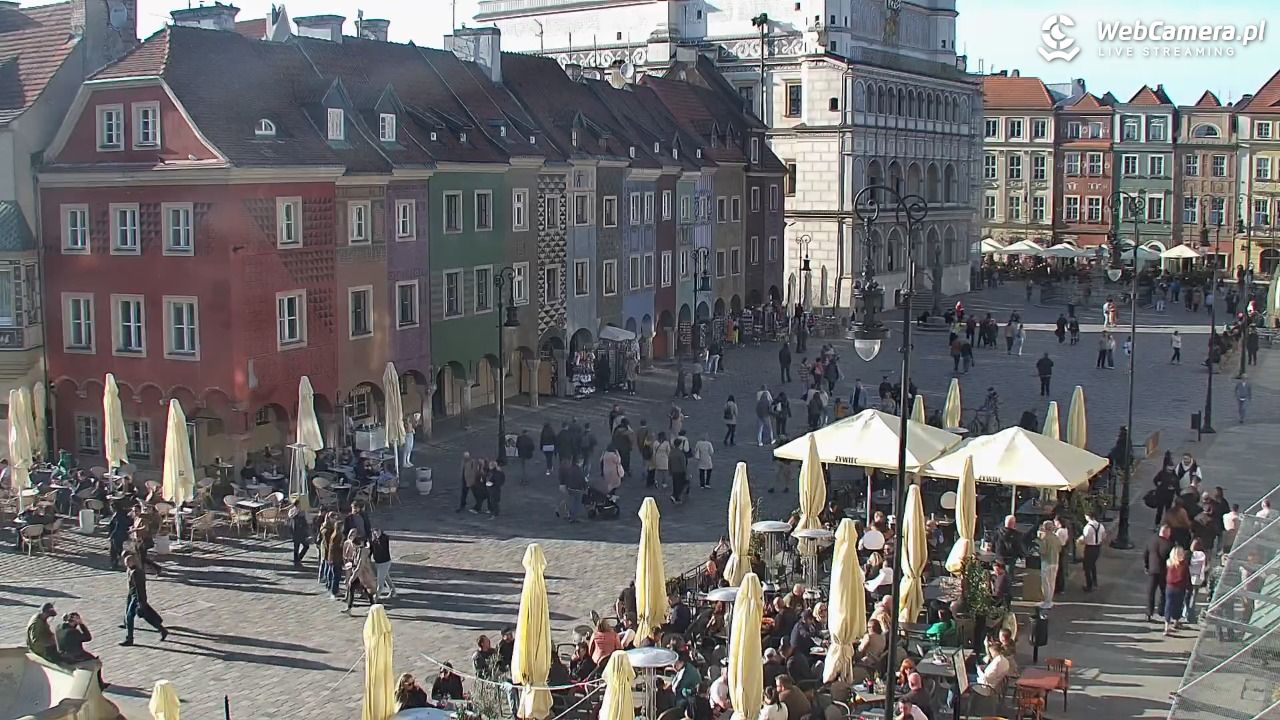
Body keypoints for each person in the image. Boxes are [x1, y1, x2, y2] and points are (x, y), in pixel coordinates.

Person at [121, 554, 167, 646]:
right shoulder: (130, 570)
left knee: (131, 616)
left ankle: (129, 638)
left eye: (127, 562)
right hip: (132, 595)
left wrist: (141, 601)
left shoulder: (136, 573)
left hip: (136, 597)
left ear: (132, 562)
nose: (125, 563)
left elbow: (140, 588)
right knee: (145, 615)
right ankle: (162, 629)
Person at [1144, 525, 1175, 623]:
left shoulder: (1151, 540)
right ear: (1166, 532)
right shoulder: (1169, 544)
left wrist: (1146, 566)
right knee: (1164, 591)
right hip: (1164, 571)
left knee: (1151, 592)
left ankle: (1149, 612)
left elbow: (1145, 553)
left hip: (1152, 570)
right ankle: (1161, 610)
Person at [342, 530, 377, 614]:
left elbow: (359, 567)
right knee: (352, 588)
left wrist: (351, 578)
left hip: (364, 574)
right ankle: (349, 608)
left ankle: (374, 607)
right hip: (359, 574)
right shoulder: (358, 550)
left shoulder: (363, 552)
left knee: (368, 591)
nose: (353, 548)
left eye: (354, 546)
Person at [1164, 545, 1191, 635]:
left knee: (1168, 605)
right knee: (1178, 605)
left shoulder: (1169, 563)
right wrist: (1189, 588)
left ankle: (1166, 626)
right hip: (1180, 588)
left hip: (1169, 587)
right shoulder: (1184, 565)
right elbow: (1187, 577)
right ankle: (1176, 622)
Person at [1037, 520, 1063, 609]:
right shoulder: (1056, 537)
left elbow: (1043, 551)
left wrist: (1039, 541)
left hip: (1046, 562)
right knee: (1052, 582)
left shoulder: (1045, 538)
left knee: (1045, 583)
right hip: (1055, 561)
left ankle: (1046, 601)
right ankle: (1050, 600)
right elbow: (1060, 548)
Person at [1079, 509, 1104, 592]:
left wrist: (1080, 541)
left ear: (1088, 517)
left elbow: (1085, 539)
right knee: (1093, 565)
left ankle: (1089, 585)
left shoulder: (1088, 527)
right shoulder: (1101, 526)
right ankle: (1094, 582)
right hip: (1097, 547)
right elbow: (1104, 536)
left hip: (1089, 548)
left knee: (1086, 567)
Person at [370, 528, 396, 599]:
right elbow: (371, 551)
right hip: (378, 562)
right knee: (386, 577)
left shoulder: (384, 538)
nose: (376, 534)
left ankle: (375, 597)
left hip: (385, 562)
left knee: (380, 581)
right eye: (375, 532)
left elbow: (383, 541)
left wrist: (379, 537)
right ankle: (392, 590)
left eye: (377, 531)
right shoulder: (373, 541)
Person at [288, 499, 310, 567]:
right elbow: (290, 516)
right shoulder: (292, 510)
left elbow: (305, 521)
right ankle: (296, 561)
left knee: (306, 546)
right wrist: (296, 512)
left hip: (302, 532)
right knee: (296, 548)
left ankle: (299, 558)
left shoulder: (302, 511)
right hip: (295, 532)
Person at [669, 433, 689, 505]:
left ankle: (674, 495)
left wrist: (670, 470)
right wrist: (686, 472)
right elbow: (683, 464)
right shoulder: (680, 453)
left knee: (675, 484)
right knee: (681, 485)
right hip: (680, 471)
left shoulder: (672, 452)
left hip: (674, 471)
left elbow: (669, 462)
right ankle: (676, 497)